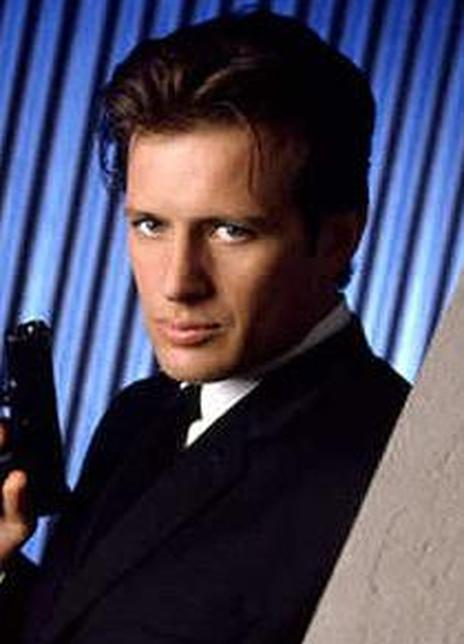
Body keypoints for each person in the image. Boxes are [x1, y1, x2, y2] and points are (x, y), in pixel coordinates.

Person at [0, 10, 409, 644]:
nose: (177, 282)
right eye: (151, 225)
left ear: (336, 239)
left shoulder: (391, 481)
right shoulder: (138, 414)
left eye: (230, 231)